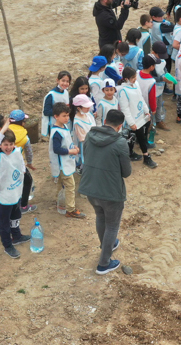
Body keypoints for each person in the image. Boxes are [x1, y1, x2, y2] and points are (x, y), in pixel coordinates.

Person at [78, 108, 132, 274]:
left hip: (90, 188)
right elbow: (126, 172)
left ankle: (106, 244)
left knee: (100, 217)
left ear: (105, 120)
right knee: (112, 225)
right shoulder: (120, 142)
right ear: (120, 125)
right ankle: (104, 262)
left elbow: (87, 156)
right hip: (111, 192)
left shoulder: (89, 136)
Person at [0, 132, 27, 258]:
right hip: (4, 196)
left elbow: (21, 163)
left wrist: (23, 169)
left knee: (15, 217)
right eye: (5, 144)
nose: (8, 147)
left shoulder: (16, 152)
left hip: (15, 192)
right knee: (4, 222)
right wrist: (4, 129)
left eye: (11, 144)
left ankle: (17, 236)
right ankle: (7, 245)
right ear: (0, 145)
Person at [50, 103, 85, 220]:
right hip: (62, 165)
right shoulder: (56, 133)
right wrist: (71, 151)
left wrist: (73, 147)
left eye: (67, 115)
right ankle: (70, 209)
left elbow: (67, 141)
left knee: (61, 184)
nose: (66, 118)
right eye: (64, 116)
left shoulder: (63, 127)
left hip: (65, 163)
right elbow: (57, 149)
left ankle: (60, 202)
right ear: (56, 116)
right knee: (70, 186)